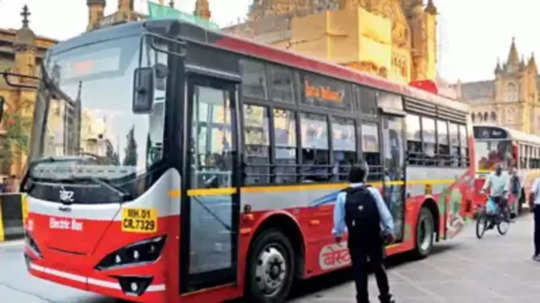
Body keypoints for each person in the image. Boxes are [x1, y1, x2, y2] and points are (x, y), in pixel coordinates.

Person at [333, 164, 396, 303]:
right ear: (364, 177)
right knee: (379, 267)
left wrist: (337, 233)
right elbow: (383, 212)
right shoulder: (372, 191)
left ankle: (362, 300)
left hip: (356, 239)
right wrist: (389, 229)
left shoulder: (342, 195)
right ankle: (385, 297)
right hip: (374, 236)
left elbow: (339, 220)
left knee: (359, 270)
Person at [530, 177, 540, 261]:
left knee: (538, 230)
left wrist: (531, 206)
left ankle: (537, 253)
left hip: (539, 207)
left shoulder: (538, 180)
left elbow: (532, 193)